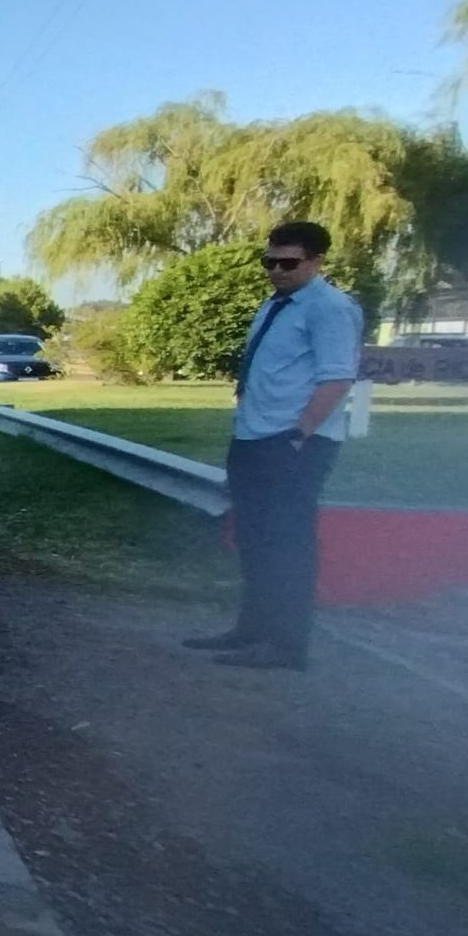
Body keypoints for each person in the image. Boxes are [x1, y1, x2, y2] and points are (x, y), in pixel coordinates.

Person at [184, 221, 360, 671]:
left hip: (293, 443)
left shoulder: (329, 308)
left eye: (288, 262)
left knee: (286, 543)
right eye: (270, 262)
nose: (276, 271)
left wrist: (299, 433)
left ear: (316, 261)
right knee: (253, 538)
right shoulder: (275, 305)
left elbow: (337, 377)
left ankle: (286, 645)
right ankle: (252, 629)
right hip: (254, 437)